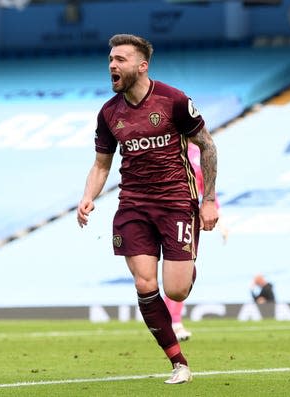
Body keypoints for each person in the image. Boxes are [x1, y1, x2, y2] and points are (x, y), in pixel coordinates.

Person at [77, 33, 219, 385]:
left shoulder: (173, 101)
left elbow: (208, 146)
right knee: (144, 283)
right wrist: (87, 196)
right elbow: (100, 165)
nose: (112, 64)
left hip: (175, 204)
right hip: (133, 206)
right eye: (110, 59)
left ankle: (184, 265)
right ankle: (178, 362)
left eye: (120, 59)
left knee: (176, 291)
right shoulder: (109, 113)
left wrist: (210, 199)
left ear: (142, 66)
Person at [164, 142, 228, 343]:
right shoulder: (168, 145)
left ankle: (174, 322)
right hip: (161, 212)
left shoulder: (199, 151)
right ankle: (168, 321)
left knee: (182, 271)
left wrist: (221, 222)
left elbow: (207, 188)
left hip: (185, 216)